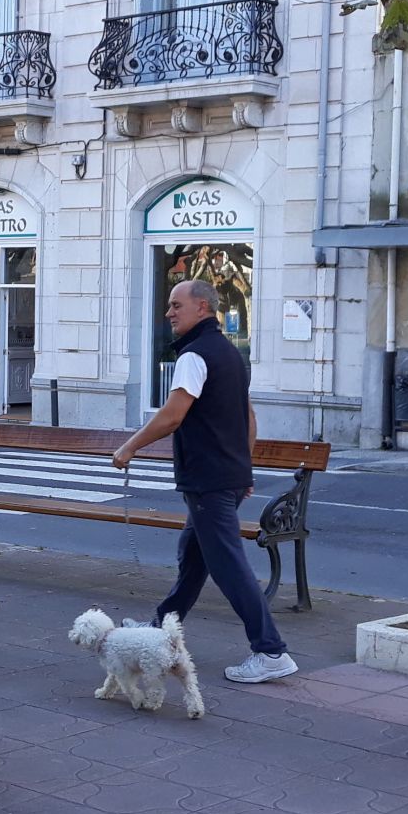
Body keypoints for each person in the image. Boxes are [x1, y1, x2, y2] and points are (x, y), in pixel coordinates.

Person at [112, 279, 297, 684]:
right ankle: (160, 628)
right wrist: (243, 469)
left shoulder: (194, 355)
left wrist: (130, 446)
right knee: (194, 558)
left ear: (202, 307)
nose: (169, 312)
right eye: (169, 305)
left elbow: (173, 414)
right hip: (225, 476)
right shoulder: (231, 354)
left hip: (209, 479)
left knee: (228, 565)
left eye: (176, 305)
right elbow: (248, 417)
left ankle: (270, 651)